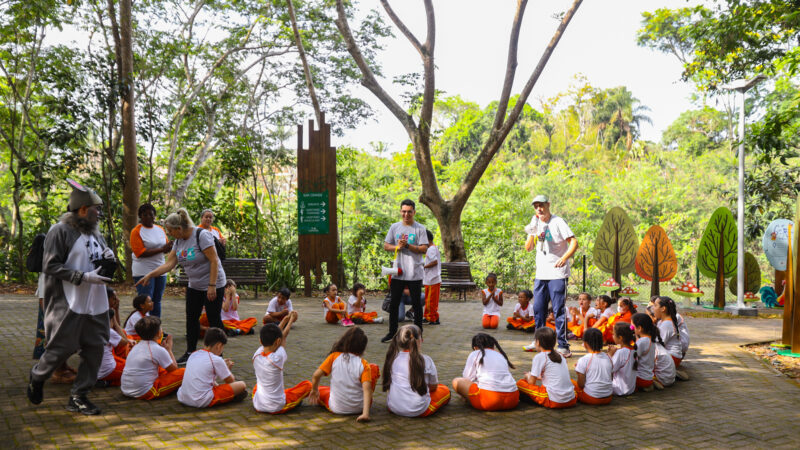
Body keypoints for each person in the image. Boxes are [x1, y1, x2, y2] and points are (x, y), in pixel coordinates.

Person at [27, 179, 115, 415]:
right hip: (69, 303)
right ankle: (37, 376)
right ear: (83, 209)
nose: (99, 213)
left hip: (96, 303)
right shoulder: (60, 231)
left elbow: (102, 265)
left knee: (95, 348)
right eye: (96, 209)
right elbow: (50, 266)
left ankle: (79, 396)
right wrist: (82, 276)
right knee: (61, 349)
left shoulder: (97, 234)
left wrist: (110, 260)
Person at [135, 208, 226, 365]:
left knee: (213, 319)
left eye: (170, 230)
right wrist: (150, 274)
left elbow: (214, 261)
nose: (170, 234)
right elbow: (170, 263)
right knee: (191, 318)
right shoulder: (178, 241)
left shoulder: (201, 235)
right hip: (195, 285)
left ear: (179, 228)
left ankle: (217, 354)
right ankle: (191, 351)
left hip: (213, 284)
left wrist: (212, 285)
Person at [522, 195, 578, 357]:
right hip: (541, 274)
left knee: (558, 309)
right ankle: (539, 342)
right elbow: (528, 248)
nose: (539, 209)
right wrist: (532, 231)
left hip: (557, 274)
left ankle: (563, 345)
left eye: (541, 205)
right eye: (536, 206)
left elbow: (574, 242)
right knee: (538, 309)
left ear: (548, 204)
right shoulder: (536, 224)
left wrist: (564, 258)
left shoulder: (558, 222)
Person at [382, 199, 429, 343]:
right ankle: (392, 333)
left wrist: (408, 246)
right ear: (400, 212)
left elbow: (424, 248)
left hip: (414, 273)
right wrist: (398, 247)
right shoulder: (394, 227)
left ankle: (418, 333)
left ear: (414, 212)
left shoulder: (420, 228)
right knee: (394, 303)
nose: (406, 214)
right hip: (398, 272)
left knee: (416, 304)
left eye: (409, 211)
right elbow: (386, 246)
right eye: (404, 211)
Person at [309, 327, 379, 422]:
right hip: (359, 408)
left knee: (314, 388)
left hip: (336, 408)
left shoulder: (334, 357)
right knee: (373, 367)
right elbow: (367, 390)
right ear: (362, 347)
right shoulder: (364, 364)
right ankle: (364, 411)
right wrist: (365, 414)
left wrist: (314, 389)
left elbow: (316, 375)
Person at [383, 324, 450, 417]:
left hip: (393, 407)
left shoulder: (392, 358)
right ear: (419, 341)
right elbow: (433, 386)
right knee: (445, 390)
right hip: (419, 410)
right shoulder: (426, 360)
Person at [252, 314, 312, 414]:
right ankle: (293, 403)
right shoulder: (277, 357)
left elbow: (279, 337)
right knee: (308, 385)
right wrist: (291, 320)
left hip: (258, 404)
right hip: (276, 406)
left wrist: (284, 319)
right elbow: (283, 336)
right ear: (278, 341)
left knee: (257, 386)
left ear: (260, 341)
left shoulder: (256, 355)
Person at [177, 327, 247, 408]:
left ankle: (227, 396)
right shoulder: (216, 360)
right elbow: (230, 381)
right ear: (219, 346)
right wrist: (227, 369)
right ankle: (228, 397)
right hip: (200, 400)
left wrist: (222, 366)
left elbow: (206, 375)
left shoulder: (194, 354)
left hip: (183, 397)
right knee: (241, 385)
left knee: (212, 383)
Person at [121, 316, 185, 400]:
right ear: (159, 333)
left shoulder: (136, 346)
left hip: (126, 389)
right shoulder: (157, 349)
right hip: (145, 392)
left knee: (162, 367)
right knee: (184, 372)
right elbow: (174, 369)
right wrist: (169, 350)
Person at [451, 333, 519, 411]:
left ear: (475, 347)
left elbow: (468, 378)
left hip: (490, 400)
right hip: (513, 399)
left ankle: (469, 399)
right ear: (493, 346)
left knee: (456, 381)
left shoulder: (475, 353)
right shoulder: (500, 355)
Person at [516, 327, 576, 409]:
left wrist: (528, 376)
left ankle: (538, 401)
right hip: (571, 399)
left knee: (520, 384)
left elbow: (531, 383)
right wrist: (538, 377)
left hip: (554, 400)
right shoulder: (560, 355)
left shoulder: (540, 357)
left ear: (538, 342)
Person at [130, 203, 172, 317]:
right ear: (140, 216)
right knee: (145, 302)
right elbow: (140, 253)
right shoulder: (136, 231)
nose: (149, 217)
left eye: (151, 214)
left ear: (155, 216)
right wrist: (161, 249)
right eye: (145, 215)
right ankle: (145, 328)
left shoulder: (160, 229)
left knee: (156, 301)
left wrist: (169, 247)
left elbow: (166, 247)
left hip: (160, 269)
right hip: (143, 271)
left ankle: (156, 328)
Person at [572, 328, 613, 405]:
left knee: (570, 382)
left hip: (592, 398)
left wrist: (579, 372)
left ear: (585, 344)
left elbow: (581, 385)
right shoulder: (608, 357)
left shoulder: (584, 359)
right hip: (608, 397)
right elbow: (611, 378)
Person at [607, 322, 637, 397]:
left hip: (619, 390)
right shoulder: (634, 349)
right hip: (630, 389)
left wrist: (609, 355)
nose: (612, 336)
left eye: (613, 334)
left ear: (620, 338)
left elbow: (609, 369)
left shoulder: (621, 352)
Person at [631, 313, 659, 392]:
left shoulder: (642, 342)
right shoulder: (651, 339)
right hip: (648, 377)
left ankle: (639, 387)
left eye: (632, 327)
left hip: (640, 378)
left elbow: (632, 357)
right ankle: (648, 385)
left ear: (639, 328)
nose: (631, 329)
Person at [422, 230, 441, 325]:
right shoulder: (432, 248)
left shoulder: (431, 249)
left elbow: (434, 262)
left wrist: (423, 267)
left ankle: (432, 318)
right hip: (430, 279)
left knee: (431, 301)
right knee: (429, 300)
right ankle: (428, 316)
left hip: (432, 279)